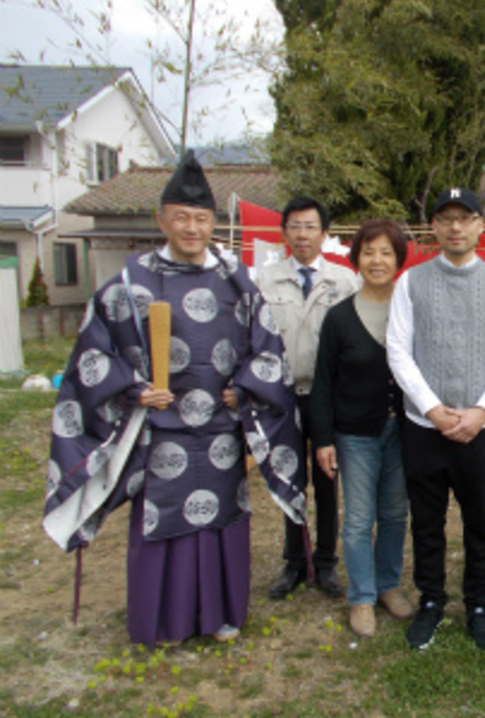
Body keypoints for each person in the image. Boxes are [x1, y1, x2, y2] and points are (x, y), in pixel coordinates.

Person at [42, 151, 306, 647]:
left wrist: (244, 387)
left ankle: (222, 614)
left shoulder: (236, 280)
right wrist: (133, 388)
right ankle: (163, 621)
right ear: (160, 219)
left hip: (219, 430)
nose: (191, 228)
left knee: (223, 520)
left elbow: (268, 350)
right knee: (162, 523)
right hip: (159, 429)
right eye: (181, 218)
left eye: (202, 219)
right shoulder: (128, 285)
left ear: (215, 224)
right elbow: (91, 356)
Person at [387, 186, 485, 651]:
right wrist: (431, 408)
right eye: (446, 219)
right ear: (434, 228)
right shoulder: (411, 282)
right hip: (425, 427)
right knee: (427, 521)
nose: (455, 227)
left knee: (481, 521)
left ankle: (479, 605)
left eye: (464, 219)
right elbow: (399, 351)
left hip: (483, 429)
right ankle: (431, 601)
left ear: (480, 226)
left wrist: (482, 410)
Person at [310, 219, 414, 638]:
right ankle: (362, 597)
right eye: (369, 252)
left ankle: (388, 585)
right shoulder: (339, 318)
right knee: (357, 519)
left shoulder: (411, 311)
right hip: (355, 434)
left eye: (386, 252)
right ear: (356, 259)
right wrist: (323, 439)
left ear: (398, 259)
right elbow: (323, 383)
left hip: (404, 431)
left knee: (393, 513)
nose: (377, 260)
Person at [258, 196, 359, 600]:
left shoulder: (344, 281)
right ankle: (294, 562)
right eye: (295, 226)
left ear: (325, 233)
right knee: (289, 478)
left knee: (326, 481)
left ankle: (326, 563)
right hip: (279, 396)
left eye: (310, 226)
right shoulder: (264, 282)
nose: (302, 234)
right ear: (284, 233)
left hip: (327, 398)